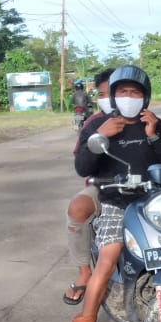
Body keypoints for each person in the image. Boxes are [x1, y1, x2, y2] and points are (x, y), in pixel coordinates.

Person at [71, 65, 161, 322]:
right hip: (116, 203)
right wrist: (101, 136)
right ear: (114, 95)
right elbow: (83, 168)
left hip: (154, 202)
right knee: (108, 258)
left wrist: (153, 137)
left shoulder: (156, 125)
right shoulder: (98, 125)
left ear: (145, 97)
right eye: (123, 91)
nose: (129, 97)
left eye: (135, 92)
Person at [63, 68, 114, 306]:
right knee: (77, 208)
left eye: (114, 92)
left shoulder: (147, 120)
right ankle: (84, 272)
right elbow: (81, 164)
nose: (109, 98)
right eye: (103, 94)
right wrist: (101, 135)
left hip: (145, 187)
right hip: (104, 186)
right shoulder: (93, 123)